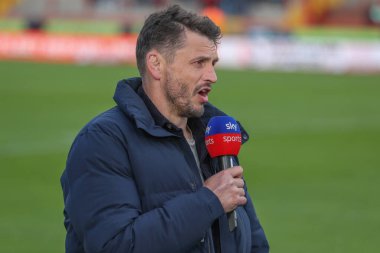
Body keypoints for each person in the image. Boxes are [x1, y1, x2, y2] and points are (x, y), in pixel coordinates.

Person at [60, 4, 269, 253]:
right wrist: (208, 201)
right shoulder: (102, 142)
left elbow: (254, 242)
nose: (212, 76)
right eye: (199, 63)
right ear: (156, 64)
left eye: (213, 63)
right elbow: (114, 245)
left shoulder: (216, 137)